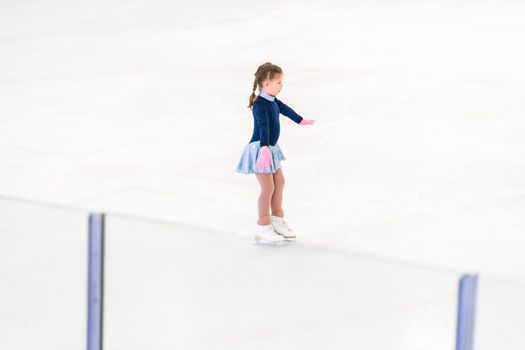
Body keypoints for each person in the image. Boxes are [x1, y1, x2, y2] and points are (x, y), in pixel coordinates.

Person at [236, 62, 316, 243]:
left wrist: (300, 120)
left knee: (279, 181)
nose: (282, 85)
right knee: (268, 187)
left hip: (270, 150)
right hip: (260, 150)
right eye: (278, 82)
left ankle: (277, 220)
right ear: (265, 84)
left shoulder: (273, 101)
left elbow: (285, 110)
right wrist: (264, 148)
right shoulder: (260, 105)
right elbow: (263, 126)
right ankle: (263, 225)